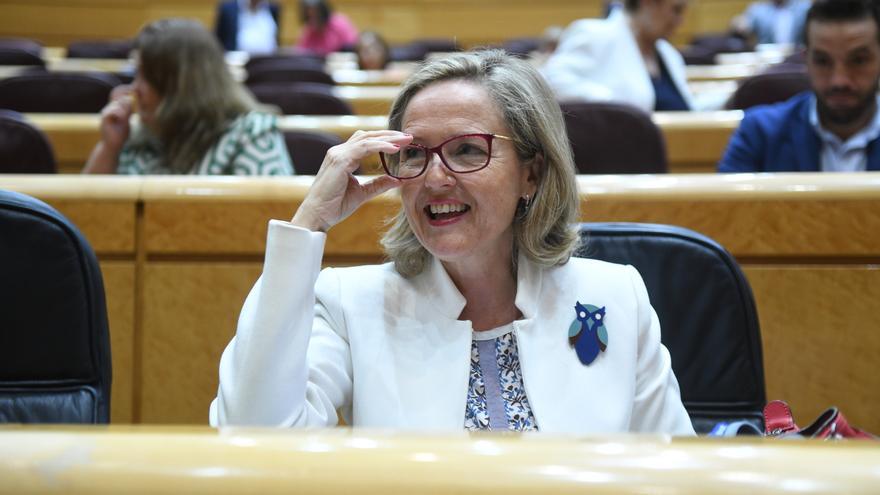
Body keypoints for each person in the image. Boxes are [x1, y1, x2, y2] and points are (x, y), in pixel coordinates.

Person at [209, 49, 695, 434]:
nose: (435, 178)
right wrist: (308, 223)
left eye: (467, 150)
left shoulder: (616, 296)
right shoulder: (349, 305)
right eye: (414, 154)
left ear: (532, 173)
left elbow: (677, 471)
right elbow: (252, 433)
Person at [83, 18, 293, 175]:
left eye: (145, 78)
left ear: (181, 86)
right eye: (136, 75)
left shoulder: (252, 135)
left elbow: (265, 223)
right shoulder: (138, 133)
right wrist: (109, 147)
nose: (133, 89)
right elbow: (88, 216)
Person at [719, 0, 880, 173]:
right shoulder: (758, 134)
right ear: (806, 60)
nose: (839, 81)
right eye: (822, 61)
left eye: (859, 61)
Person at [541, 0, 693, 113]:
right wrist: (612, 104)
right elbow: (552, 81)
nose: (680, 21)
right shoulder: (595, 35)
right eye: (676, 10)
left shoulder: (667, 53)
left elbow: (687, 108)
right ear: (647, 3)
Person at [215, 0, 282, 55]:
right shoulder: (228, 9)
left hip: (268, 63)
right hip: (236, 64)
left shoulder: (273, 8)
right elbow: (218, 40)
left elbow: (275, 39)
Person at [731, 0, 811, 46]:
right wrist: (739, 24)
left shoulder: (804, 7)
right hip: (768, 58)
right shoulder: (759, 9)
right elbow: (745, 23)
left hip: (797, 57)